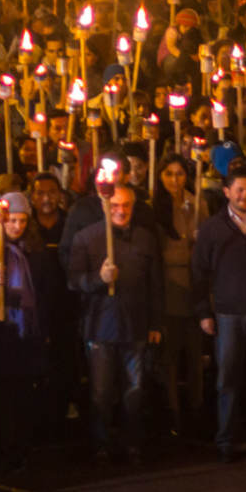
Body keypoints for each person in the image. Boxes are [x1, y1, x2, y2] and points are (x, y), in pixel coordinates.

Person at [191, 164, 246, 461]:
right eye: (240, 190)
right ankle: (227, 440)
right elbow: (199, 272)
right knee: (227, 379)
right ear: (227, 192)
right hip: (228, 314)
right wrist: (204, 311)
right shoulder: (213, 228)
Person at [69, 182, 163, 463]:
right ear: (104, 206)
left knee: (134, 390)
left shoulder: (146, 239)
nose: (121, 211)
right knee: (100, 392)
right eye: (115, 206)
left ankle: (132, 442)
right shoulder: (86, 238)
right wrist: (99, 280)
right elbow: (74, 281)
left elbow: (155, 284)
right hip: (100, 328)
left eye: (126, 206)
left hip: (135, 326)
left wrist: (156, 323)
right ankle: (101, 444)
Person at [0, 192, 54, 471]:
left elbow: (43, 292)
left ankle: (21, 447)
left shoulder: (35, 252)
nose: (17, 227)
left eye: (22, 221)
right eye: (12, 221)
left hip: (25, 335)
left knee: (22, 395)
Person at [151, 154, 206, 437]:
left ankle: (196, 413)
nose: (175, 179)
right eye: (169, 174)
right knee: (170, 358)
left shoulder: (197, 204)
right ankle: (173, 416)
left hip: (193, 287)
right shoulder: (154, 207)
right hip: (169, 288)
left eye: (180, 174)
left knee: (195, 357)